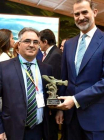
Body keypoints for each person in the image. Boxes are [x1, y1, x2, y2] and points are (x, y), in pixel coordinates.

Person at [0, 27, 53, 140]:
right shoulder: (4, 68)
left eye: (35, 42)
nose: (31, 45)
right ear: (18, 44)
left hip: (38, 129)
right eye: (27, 41)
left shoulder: (46, 69)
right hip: (12, 129)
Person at [55, 0, 104, 140]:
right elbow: (65, 79)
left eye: (84, 12)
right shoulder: (69, 44)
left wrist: (76, 99)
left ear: (94, 12)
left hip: (96, 119)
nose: (80, 17)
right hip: (70, 118)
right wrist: (60, 108)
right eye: (76, 14)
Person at [39, 29, 62, 140]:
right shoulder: (51, 53)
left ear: (45, 41)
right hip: (49, 104)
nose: (38, 45)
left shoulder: (55, 55)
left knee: (50, 133)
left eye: (38, 42)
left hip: (51, 104)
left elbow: (55, 82)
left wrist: (53, 106)